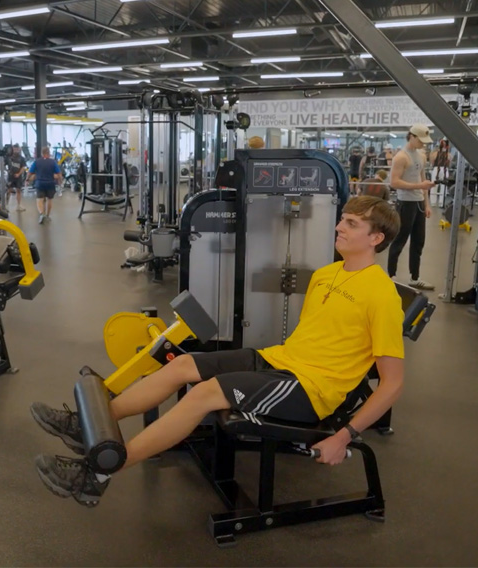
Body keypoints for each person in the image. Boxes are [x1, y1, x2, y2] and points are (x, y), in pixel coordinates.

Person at [31, 196, 404, 507]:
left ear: (376, 238)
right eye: (342, 219)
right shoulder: (326, 274)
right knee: (184, 364)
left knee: (206, 393)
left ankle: (96, 474)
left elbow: (392, 384)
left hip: (311, 388)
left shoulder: (382, 295)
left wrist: (344, 435)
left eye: (352, 223)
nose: (339, 227)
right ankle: (84, 426)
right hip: (281, 360)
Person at [387, 124, 436, 290]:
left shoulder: (421, 156)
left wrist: (427, 204)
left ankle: (415, 277)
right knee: (399, 240)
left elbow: (423, 180)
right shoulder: (401, 157)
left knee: (418, 241)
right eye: (420, 140)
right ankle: (391, 276)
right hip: (405, 203)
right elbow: (394, 182)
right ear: (412, 136)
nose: (423, 144)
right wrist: (419, 186)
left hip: (419, 203)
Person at [27, 147, 62, 224]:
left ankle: (41, 214)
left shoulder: (37, 162)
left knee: (39, 199)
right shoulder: (53, 162)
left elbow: (30, 172)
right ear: (49, 153)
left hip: (40, 183)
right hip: (50, 183)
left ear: (42, 153)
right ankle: (47, 215)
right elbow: (59, 174)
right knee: (49, 199)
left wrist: (27, 179)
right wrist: (60, 182)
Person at [428, 139, 451, 207]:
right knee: (437, 186)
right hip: (441, 169)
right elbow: (448, 163)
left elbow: (432, 163)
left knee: (438, 186)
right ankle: (439, 202)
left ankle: (436, 202)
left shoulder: (436, 154)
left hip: (441, 169)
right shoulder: (448, 155)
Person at [5, 144, 26, 212]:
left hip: (18, 177)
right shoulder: (8, 157)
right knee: (9, 190)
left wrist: (19, 174)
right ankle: (6, 205)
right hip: (10, 177)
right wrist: (7, 171)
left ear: (19, 149)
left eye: (17, 149)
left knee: (18, 190)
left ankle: (18, 206)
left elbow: (23, 167)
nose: (16, 150)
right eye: (14, 149)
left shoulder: (22, 158)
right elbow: (3, 165)